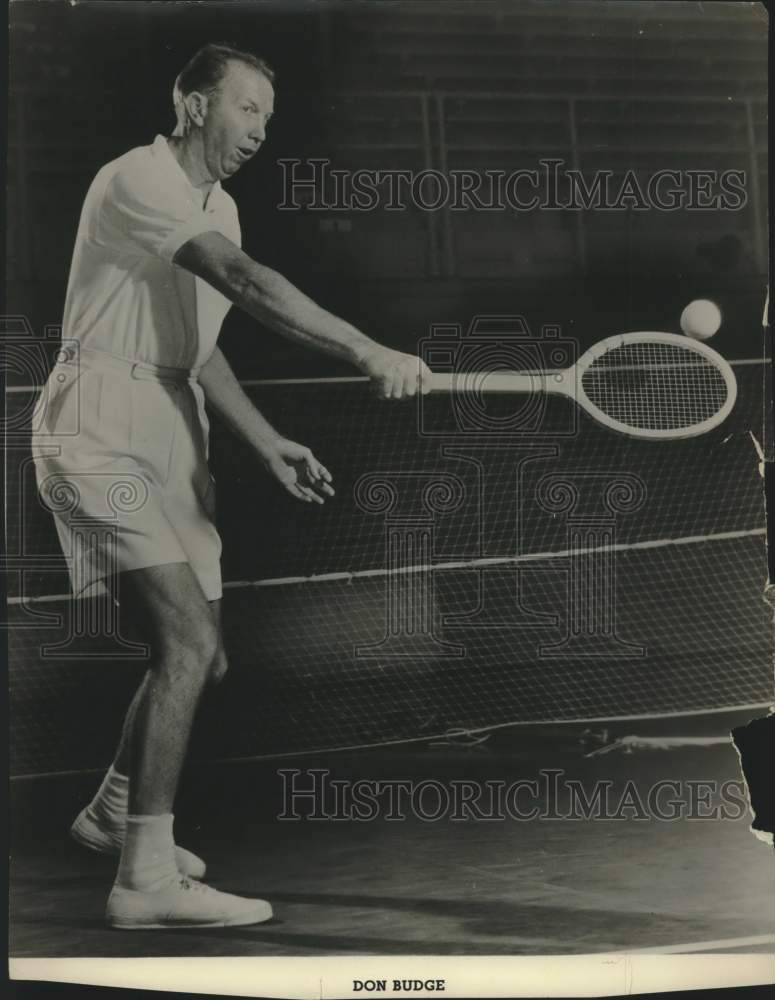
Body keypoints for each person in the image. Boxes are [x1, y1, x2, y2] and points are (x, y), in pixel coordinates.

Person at [32, 42, 431, 930]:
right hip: (97, 423)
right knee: (182, 642)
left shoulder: (221, 208)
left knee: (204, 653)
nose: (259, 129)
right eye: (246, 108)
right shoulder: (136, 178)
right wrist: (366, 348)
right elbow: (246, 285)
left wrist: (265, 440)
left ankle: (114, 812)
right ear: (194, 104)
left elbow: (201, 341)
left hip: (171, 419)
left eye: (267, 117)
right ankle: (143, 881)